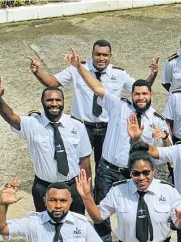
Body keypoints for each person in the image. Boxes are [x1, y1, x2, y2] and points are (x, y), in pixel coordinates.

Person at [64, 47, 171, 242]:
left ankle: (130, 240)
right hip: (109, 168)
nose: (140, 97)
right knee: (101, 208)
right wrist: (79, 68)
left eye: (144, 93)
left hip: (136, 174)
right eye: (137, 94)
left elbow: (167, 154)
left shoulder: (158, 121)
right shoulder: (119, 106)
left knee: (132, 209)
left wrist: (149, 137)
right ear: (131, 95)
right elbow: (97, 88)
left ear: (151, 95)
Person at [29, 40, 158, 173]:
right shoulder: (77, 67)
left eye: (105, 55)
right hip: (81, 125)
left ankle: (98, 191)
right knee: (76, 160)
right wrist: (37, 72)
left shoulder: (119, 74)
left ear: (110, 56)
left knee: (104, 164)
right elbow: (53, 82)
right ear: (92, 54)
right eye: (97, 54)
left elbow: (140, 91)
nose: (101, 58)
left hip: (107, 127)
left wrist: (153, 75)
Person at [0, 75, 91, 215]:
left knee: (75, 228)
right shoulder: (32, 123)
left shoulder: (77, 125)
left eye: (57, 100)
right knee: (45, 230)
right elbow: (11, 117)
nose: (54, 103)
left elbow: (84, 161)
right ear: (42, 102)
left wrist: (87, 189)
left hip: (72, 187)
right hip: (44, 188)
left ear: (63, 102)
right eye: (49, 100)